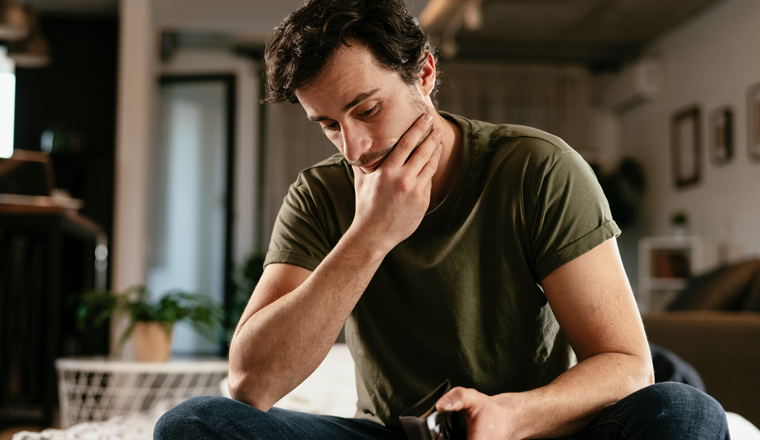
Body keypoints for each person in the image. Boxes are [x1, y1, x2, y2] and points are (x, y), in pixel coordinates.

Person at [155, 0, 730, 439]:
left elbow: (628, 367)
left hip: (526, 430)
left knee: (685, 410)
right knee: (193, 425)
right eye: (327, 124)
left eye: (367, 109)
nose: (353, 146)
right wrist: (371, 235)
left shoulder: (536, 167)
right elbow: (250, 384)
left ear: (424, 73)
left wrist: (510, 415)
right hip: (391, 435)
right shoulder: (321, 194)